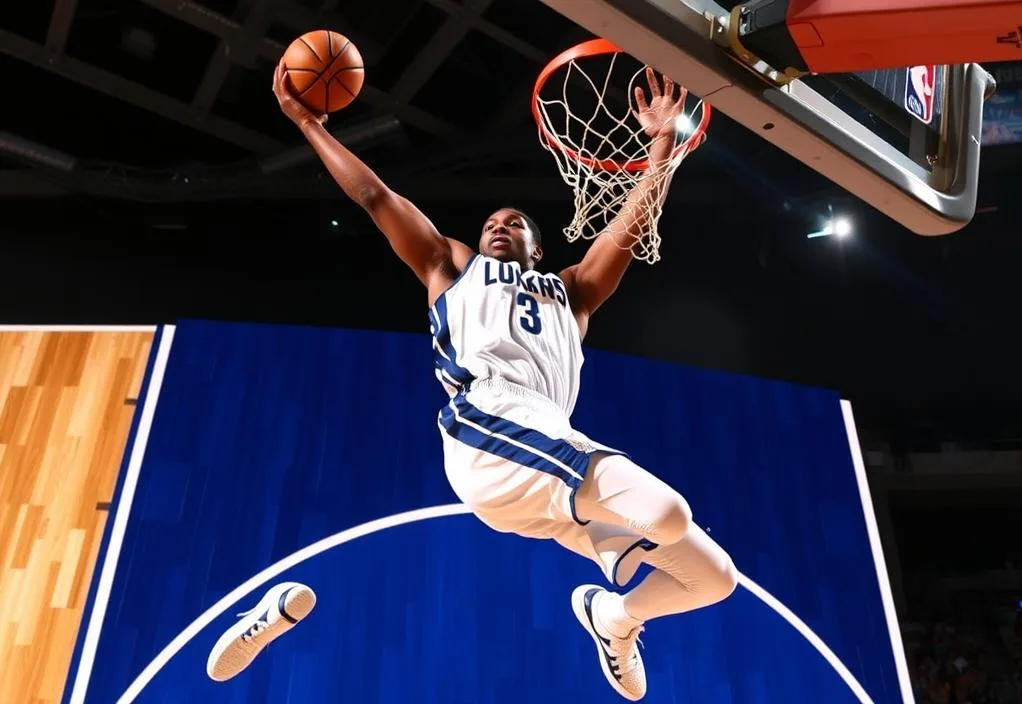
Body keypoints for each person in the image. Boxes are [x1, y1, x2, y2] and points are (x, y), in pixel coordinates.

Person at [272, 59, 737, 701]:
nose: (498, 224)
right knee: (667, 512)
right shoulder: (448, 268)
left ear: (536, 249)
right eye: (491, 221)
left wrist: (662, 143)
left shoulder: (571, 293)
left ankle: (615, 619)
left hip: (545, 452)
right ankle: (614, 584)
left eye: (514, 222)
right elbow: (376, 197)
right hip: (488, 430)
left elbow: (627, 234)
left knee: (713, 579)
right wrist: (306, 121)